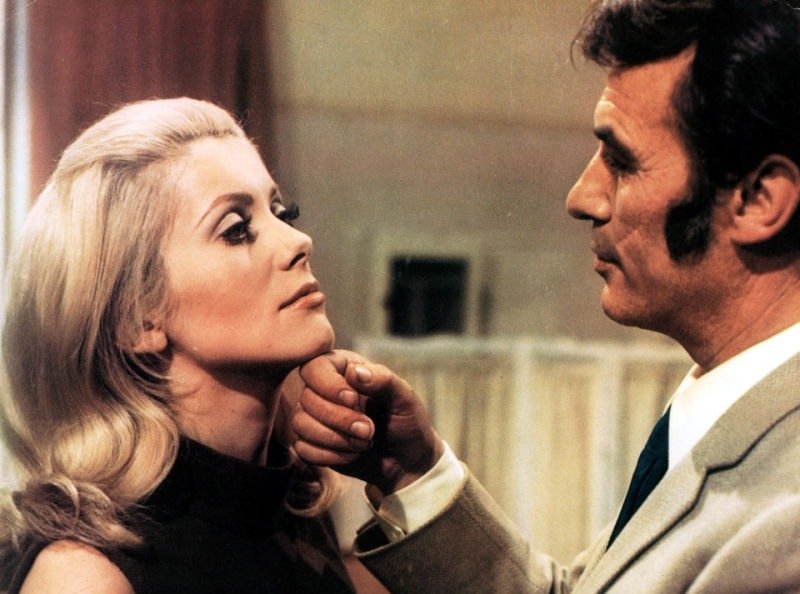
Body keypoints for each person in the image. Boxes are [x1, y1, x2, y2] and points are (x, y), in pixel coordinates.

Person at [291, 0, 800, 592]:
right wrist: (413, 473)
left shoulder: (786, 516)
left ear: (759, 200)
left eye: (621, 161)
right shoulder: (725, 418)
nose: (582, 197)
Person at [0, 98, 363, 593]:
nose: (298, 242)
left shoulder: (294, 500)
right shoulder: (84, 574)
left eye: (283, 212)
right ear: (136, 318)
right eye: (237, 230)